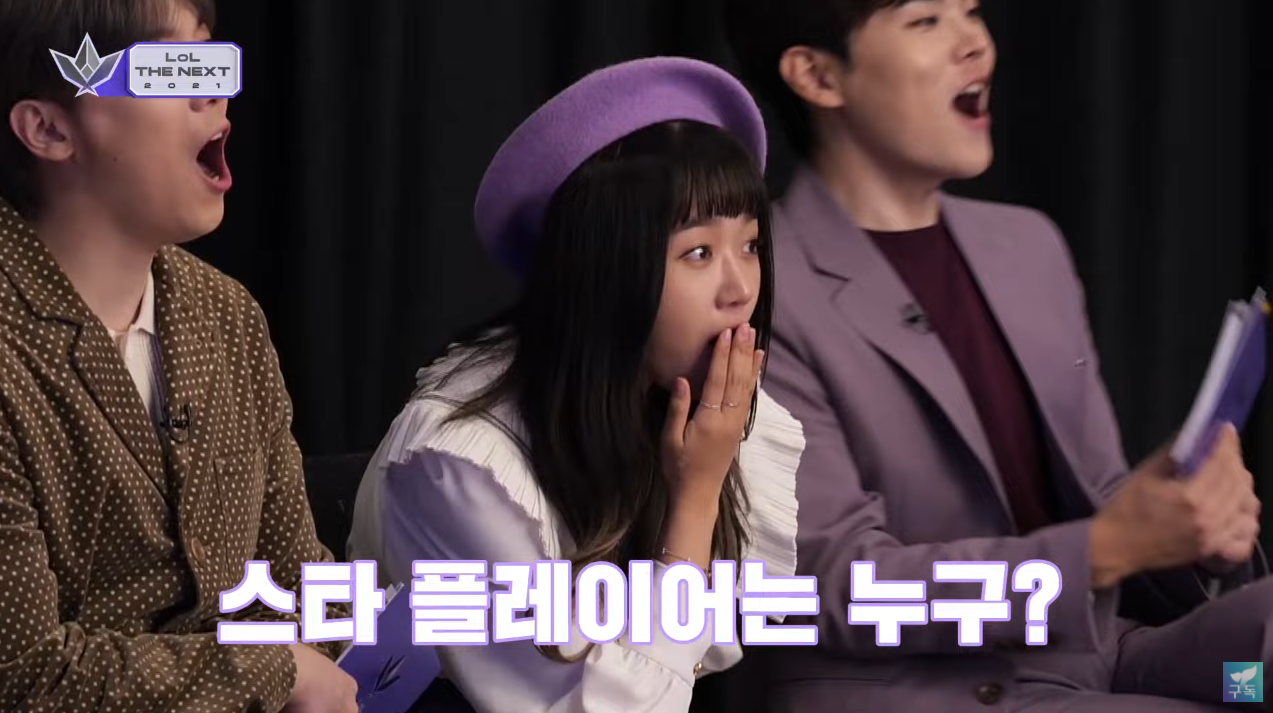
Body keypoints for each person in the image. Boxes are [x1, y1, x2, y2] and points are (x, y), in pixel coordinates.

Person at [722, 1, 1270, 711]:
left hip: (1110, 657)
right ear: (817, 75)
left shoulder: (1027, 246)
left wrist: (1190, 522)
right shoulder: (754, 282)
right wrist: (1105, 548)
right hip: (930, 690)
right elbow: (835, 584)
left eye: (972, 12)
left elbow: (1099, 498)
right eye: (927, 21)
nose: (975, 44)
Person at [347, 57, 805, 713]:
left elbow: (706, 651)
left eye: (751, 245)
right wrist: (696, 497)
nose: (740, 290)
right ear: (604, 268)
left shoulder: (686, 407)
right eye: (699, 253)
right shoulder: (461, 463)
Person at [0, 1, 357, 711]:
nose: (213, 92)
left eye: (211, 62)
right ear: (49, 129)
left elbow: (297, 579)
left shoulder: (227, 316)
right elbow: (23, 673)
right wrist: (272, 671)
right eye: (172, 70)